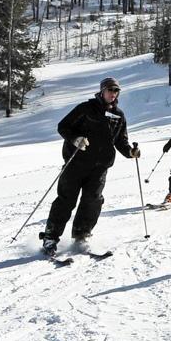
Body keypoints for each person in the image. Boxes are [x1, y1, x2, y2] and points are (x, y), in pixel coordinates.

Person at [40, 77, 140, 255]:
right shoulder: (86, 109)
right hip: (76, 164)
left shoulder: (118, 115)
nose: (113, 93)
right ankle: (50, 238)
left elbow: (120, 140)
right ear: (102, 91)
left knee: (92, 201)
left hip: (100, 167)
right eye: (110, 90)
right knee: (66, 201)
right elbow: (63, 126)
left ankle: (81, 236)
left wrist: (130, 152)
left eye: (116, 90)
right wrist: (75, 138)